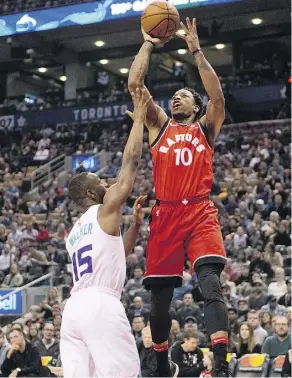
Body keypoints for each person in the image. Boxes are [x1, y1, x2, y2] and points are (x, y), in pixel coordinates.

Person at [128, 17, 228, 378]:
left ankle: (221, 363)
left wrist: (197, 51)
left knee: (211, 284)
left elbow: (217, 95)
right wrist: (147, 44)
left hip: (200, 211)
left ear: (196, 107)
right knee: (159, 301)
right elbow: (135, 84)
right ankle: (158, 361)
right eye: (174, 95)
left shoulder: (206, 127)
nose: (176, 97)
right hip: (166, 214)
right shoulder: (158, 125)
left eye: (184, 95)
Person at [60, 88, 152, 378]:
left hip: (73, 311)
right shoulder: (106, 208)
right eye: (100, 181)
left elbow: (114, 256)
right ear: (91, 192)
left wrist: (135, 225)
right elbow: (131, 163)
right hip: (100, 305)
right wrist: (139, 120)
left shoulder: (74, 233)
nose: (106, 183)